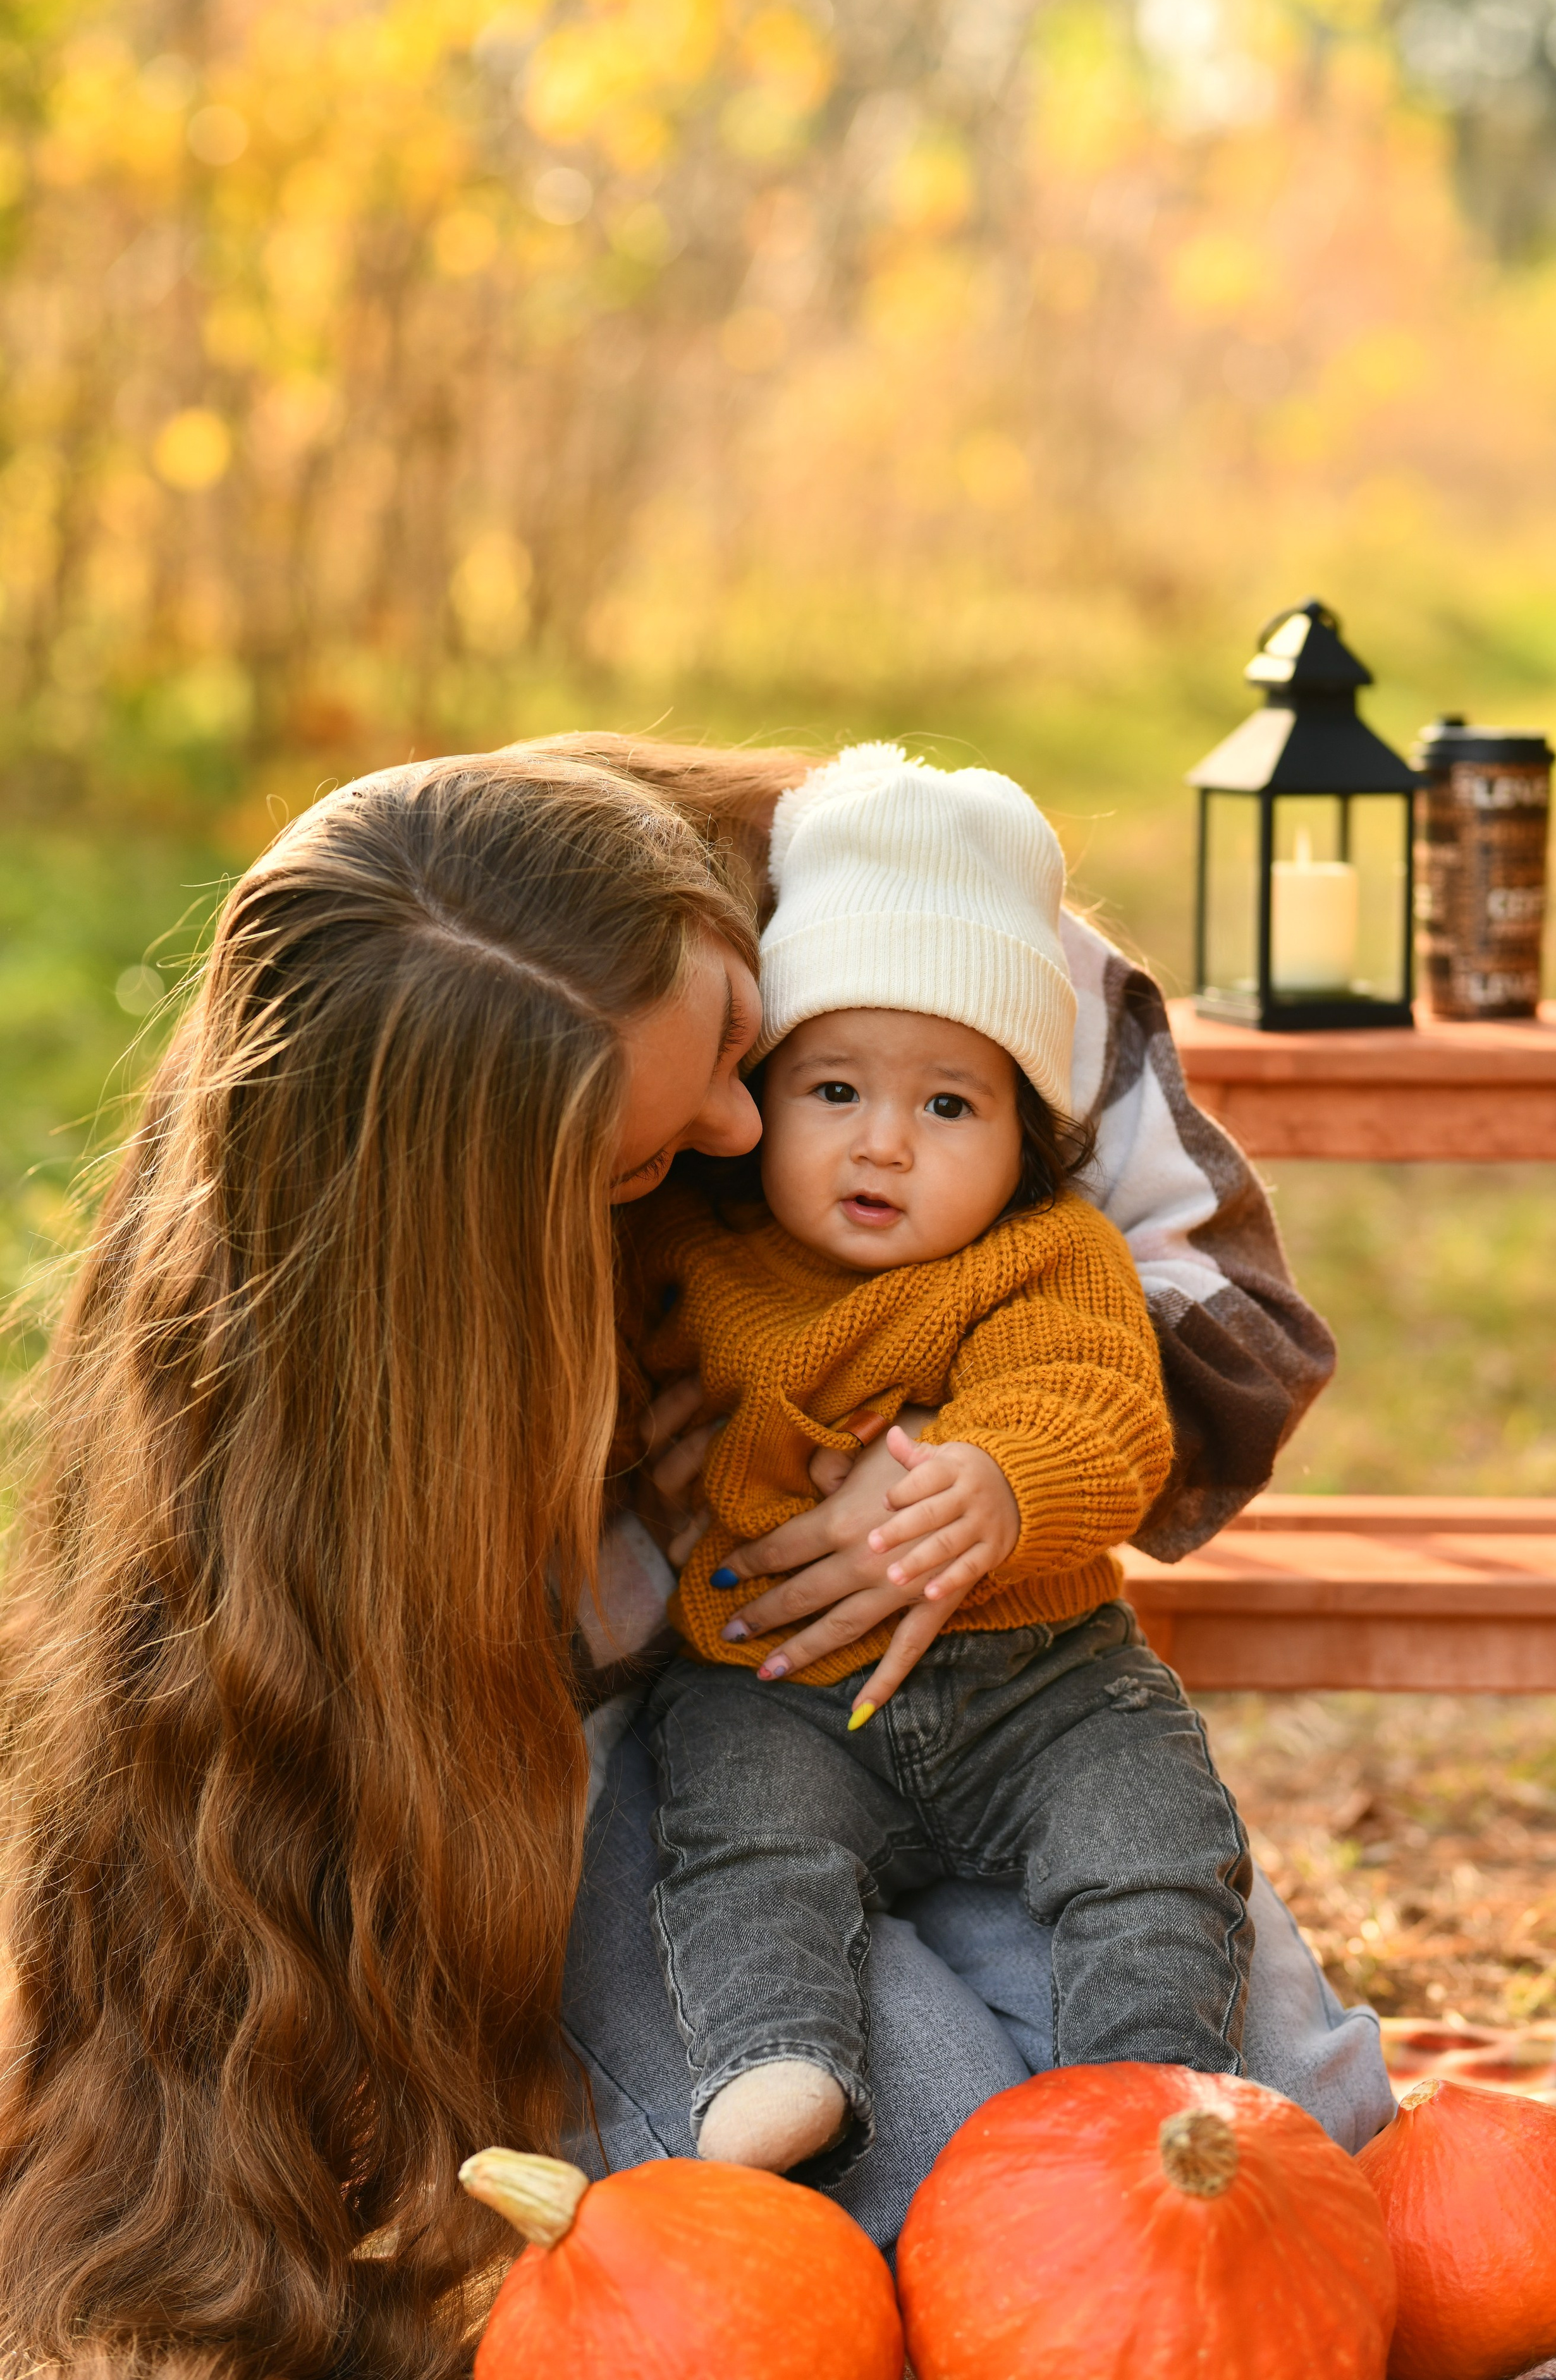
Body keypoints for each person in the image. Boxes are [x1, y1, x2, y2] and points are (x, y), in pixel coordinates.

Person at [0, 736, 1387, 2380]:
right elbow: (329, 1712)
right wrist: (630, 1505)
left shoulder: (928, 902)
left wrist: (959, 1455)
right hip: (681, 1741)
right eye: (650, 1164)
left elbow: (1238, 1318)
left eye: (742, 1036)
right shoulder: (327, 1334)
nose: (741, 1121)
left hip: (1008, 1681)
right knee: (894, 2196)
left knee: (1278, 2147)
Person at [628, 749, 1251, 2178]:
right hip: (774, 1683)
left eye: (949, 1107)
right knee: (742, 1848)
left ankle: (1145, 2082)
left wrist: (1002, 1480)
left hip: (1041, 1679)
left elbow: (1100, 1404)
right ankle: (777, 2060)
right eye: (834, 1088)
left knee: (1154, 1841)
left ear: (1027, 1139)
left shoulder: (1046, 1258)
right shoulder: (695, 1255)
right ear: (756, 1096)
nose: (884, 1144)